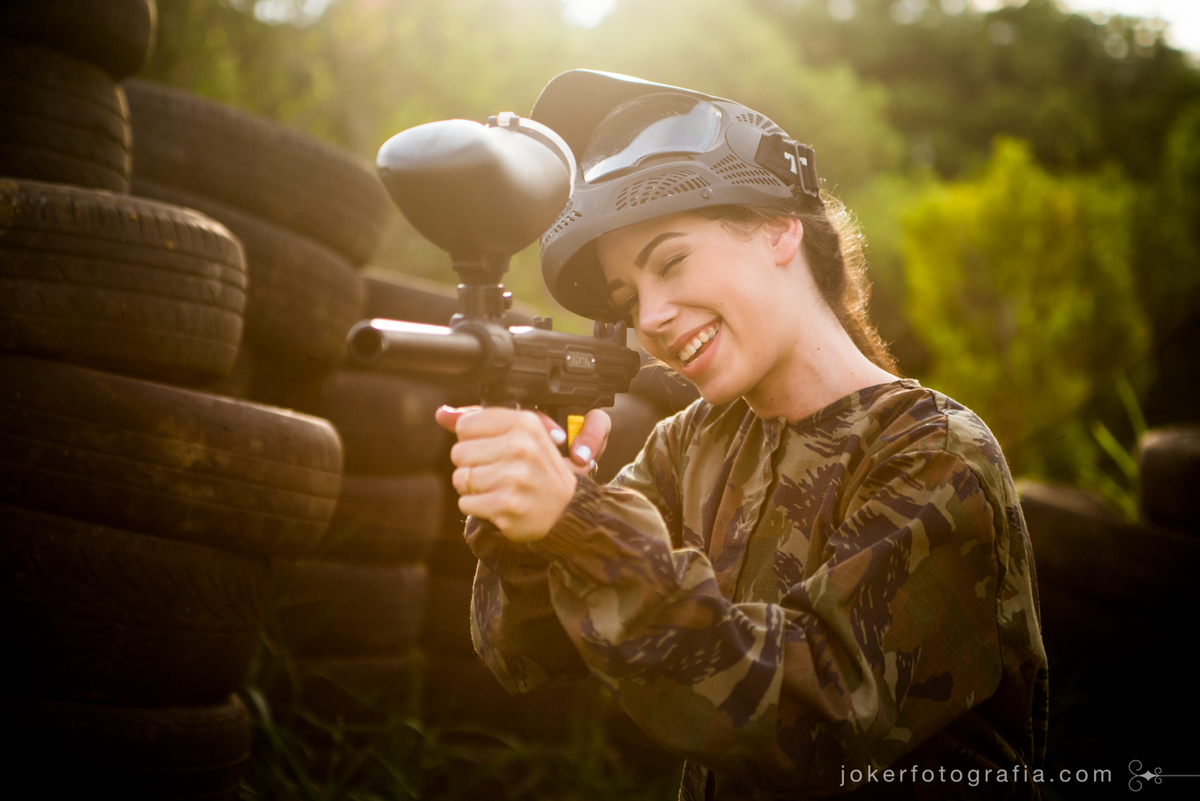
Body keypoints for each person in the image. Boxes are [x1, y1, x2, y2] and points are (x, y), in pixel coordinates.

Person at [434, 70, 1048, 800]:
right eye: (628, 297)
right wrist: (526, 523)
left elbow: (810, 729)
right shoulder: (687, 446)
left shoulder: (937, 453)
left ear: (781, 227)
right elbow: (525, 653)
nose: (652, 317)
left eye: (671, 261)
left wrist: (578, 519)